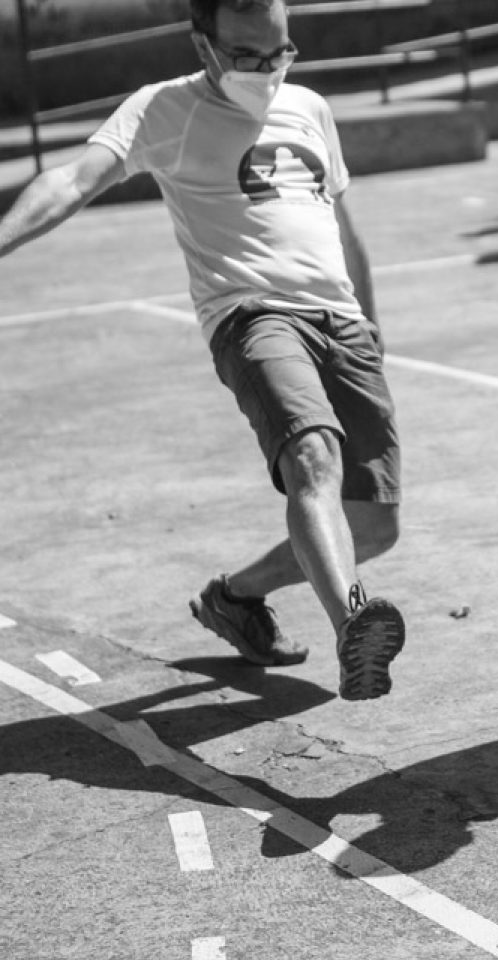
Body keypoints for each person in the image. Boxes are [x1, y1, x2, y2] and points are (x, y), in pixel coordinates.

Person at [0, 0, 406, 701]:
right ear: (205, 46)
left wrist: (369, 322)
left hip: (341, 321)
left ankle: (235, 598)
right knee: (313, 458)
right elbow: (73, 179)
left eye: (280, 53)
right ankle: (354, 623)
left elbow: (338, 218)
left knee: (373, 523)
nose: (267, 70)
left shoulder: (308, 105)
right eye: (247, 56)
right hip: (251, 316)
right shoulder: (164, 109)